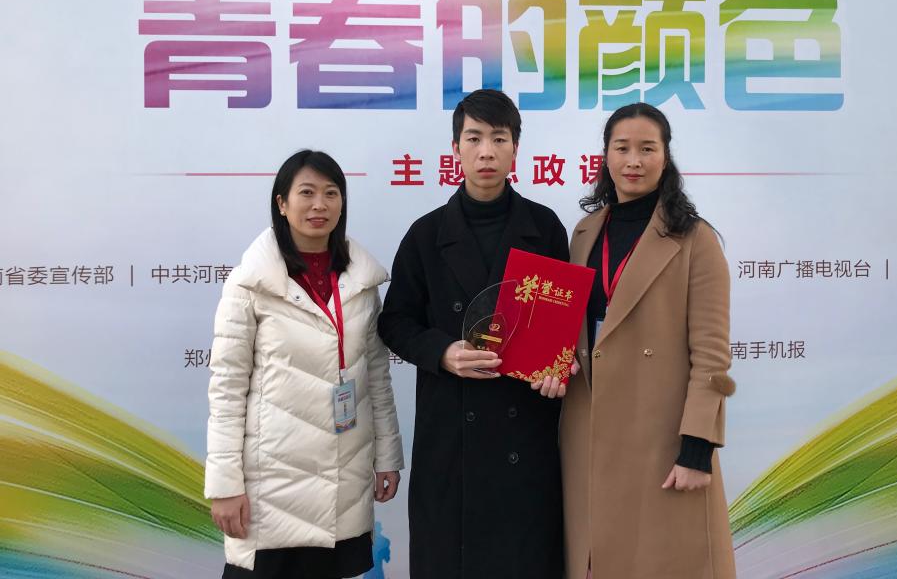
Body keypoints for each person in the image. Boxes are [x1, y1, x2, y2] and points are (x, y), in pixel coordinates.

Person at [378, 89, 570, 579]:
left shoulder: (545, 228)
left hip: (525, 432)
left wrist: (559, 367)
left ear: (515, 149)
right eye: (474, 138)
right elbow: (394, 321)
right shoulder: (426, 234)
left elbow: (562, 325)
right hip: (451, 438)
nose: (487, 151)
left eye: (499, 139)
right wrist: (442, 352)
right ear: (456, 149)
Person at [205, 150, 404, 578]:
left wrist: (388, 456)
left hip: (343, 482)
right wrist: (225, 485)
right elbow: (227, 390)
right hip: (272, 487)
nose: (319, 205)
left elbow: (376, 377)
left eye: (331, 193)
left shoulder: (361, 284)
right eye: (307, 193)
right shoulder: (250, 284)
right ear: (282, 203)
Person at [560, 103, 737, 579]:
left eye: (647, 149)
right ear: (605, 155)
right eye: (622, 148)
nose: (633, 161)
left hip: (661, 433)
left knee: (663, 562)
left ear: (666, 156)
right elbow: (575, 329)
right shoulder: (584, 233)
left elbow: (712, 357)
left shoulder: (695, 239)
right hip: (589, 427)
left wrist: (697, 447)